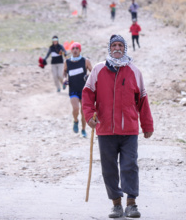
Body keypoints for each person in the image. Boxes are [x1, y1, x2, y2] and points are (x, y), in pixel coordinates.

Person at [82, 35, 154, 218]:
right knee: (109, 168)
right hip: (105, 129)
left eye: (120, 45)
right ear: (109, 48)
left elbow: (143, 101)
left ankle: (131, 203)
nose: (117, 48)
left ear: (125, 48)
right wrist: (89, 116)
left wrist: (147, 125)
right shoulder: (98, 70)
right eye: (113, 45)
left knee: (130, 165)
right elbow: (87, 95)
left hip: (129, 129)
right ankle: (116, 204)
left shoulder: (134, 71)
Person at [63, 42, 92, 137]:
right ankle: (75, 120)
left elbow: (93, 72)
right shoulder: (67, 62)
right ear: (71, 50)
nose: (75, 50)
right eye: (73, 49)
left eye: (77, 48)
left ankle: (83, 130)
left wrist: (89, 76)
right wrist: (64, 79)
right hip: (73, 89)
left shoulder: (85, 61)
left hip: (84, 90)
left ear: (80, 50)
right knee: (76, 108)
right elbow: (64, 72)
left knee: (84, 112)